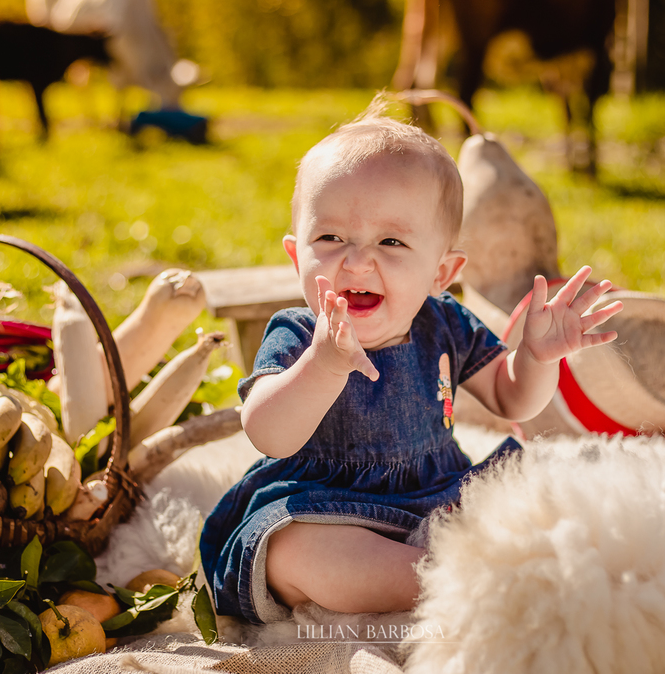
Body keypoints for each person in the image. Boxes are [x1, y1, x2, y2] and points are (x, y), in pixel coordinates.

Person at [199, 103, 623, 623]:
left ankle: (465, 562)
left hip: (440, 495)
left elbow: (514, 399)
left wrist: (534, 357)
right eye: (330, 238)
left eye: (392, 241)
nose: (356, 261)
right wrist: (323, 366)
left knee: (546, 491)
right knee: (291, 552)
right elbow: (267, 431)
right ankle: (441, 574)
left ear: (441, 272)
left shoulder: (444, 323)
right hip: (326, 506)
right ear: (296, 256)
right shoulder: (300, 332)